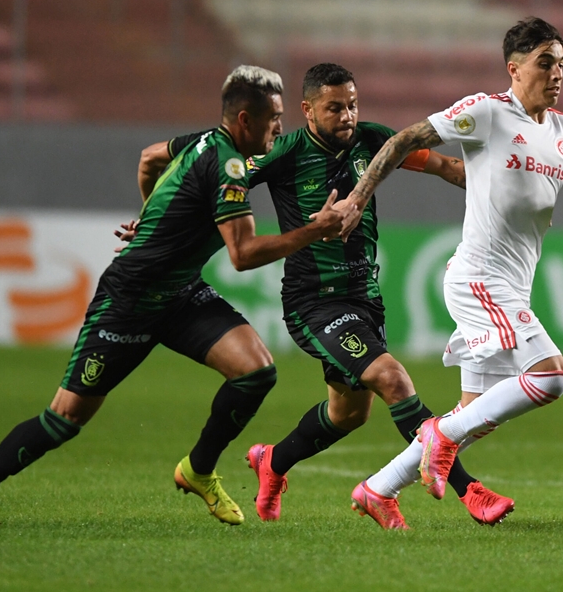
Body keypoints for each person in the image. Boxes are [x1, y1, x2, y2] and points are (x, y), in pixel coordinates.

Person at [0, 65, 349, 537]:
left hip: (179, 294)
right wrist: (315, 230)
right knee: (64, 419)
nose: (281, 128)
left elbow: (148, 158)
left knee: (256, 371)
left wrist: (154, 215)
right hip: (129, 300)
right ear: (245, 120)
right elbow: (241, 255)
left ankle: (198, 470)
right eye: (274, 118)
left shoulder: (204, 141)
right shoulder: (229, 165)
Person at [136, 63, 512, 529]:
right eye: (335, 107)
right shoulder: (285, 153)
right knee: (393, 380)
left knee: (348, 413)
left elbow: (443, 166)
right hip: (314, 302)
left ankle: (273, 461)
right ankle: (469, 491)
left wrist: (509, 185)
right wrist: (158, 223)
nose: (347, 115)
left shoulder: (373, 140)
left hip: (364, 297)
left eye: (352, 105)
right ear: (307, 110)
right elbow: (211, 182)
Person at [335, 17, 563, 529]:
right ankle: (439, 437)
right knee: (552, 376)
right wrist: (357, 199)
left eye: (562, 63)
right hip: (479, 279)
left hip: (512, 285)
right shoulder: (488, 112)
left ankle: (377, 488)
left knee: (471, 418)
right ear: (514, 68)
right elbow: (405, 140)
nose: (557, 73)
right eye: (546, 63)